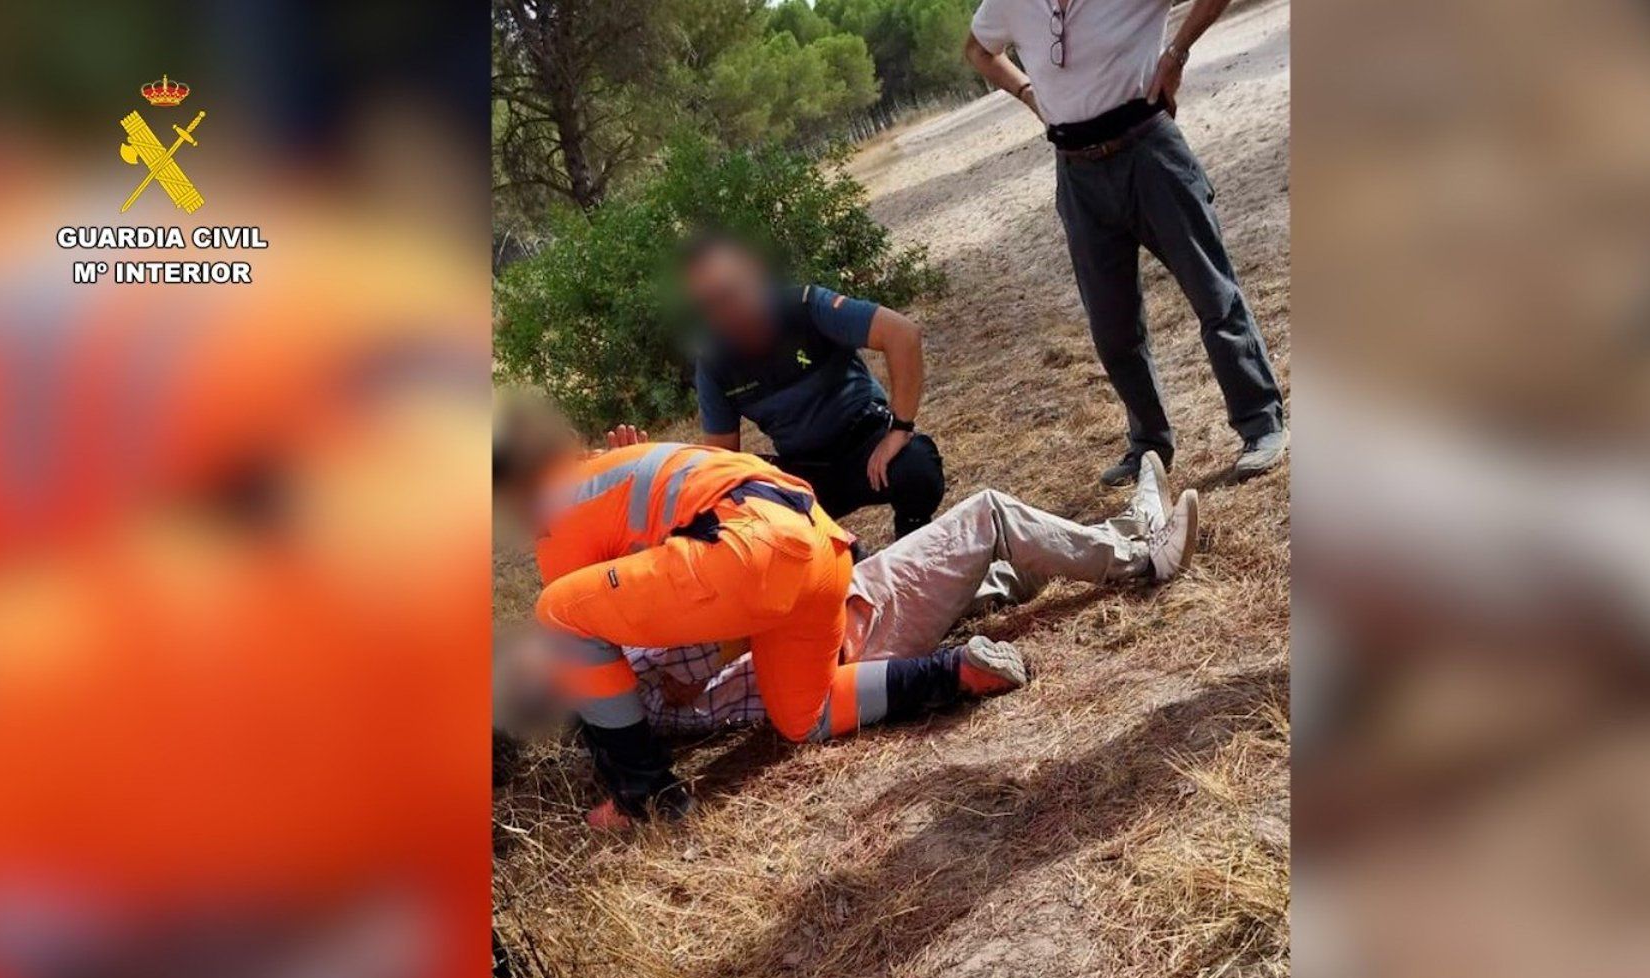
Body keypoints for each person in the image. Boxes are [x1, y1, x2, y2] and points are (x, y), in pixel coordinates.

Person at [491, 394, 1024, 824]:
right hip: (816, 542)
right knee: (804, 717)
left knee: (559, 613)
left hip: (746, 551)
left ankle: (647, 797)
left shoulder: (557, 514)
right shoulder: (611, 469)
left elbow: (589, 646)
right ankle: (959, 671)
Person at [497, 447, 1198, 745]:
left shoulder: (614, 673)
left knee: (989, 575)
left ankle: (1124, 528)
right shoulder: (630, 668)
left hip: (839, 622)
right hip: (849, 625)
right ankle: (1140, 560)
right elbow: (728, 615)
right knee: (986, 518)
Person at [963, 0, 1288, 486]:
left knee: (1212, 295)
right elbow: (977, 50)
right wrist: (1028, 91)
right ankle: (1150, 446)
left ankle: (1261, 424)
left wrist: (1176, 54)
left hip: (1149, 153)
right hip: (1076, 172)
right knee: (1112, 326)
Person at [683, 234, 945, 537]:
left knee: (917, 466)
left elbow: (902, 334)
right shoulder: (715, 360)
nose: (725, 312)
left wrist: (899, 429)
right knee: (742, 505)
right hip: (805, 471)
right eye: (709, 305)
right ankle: (839, 565)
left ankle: (913, 534)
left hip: (864, 442)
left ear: (752, 273)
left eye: (729, 293)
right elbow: (722, 463)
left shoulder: (807, 307)